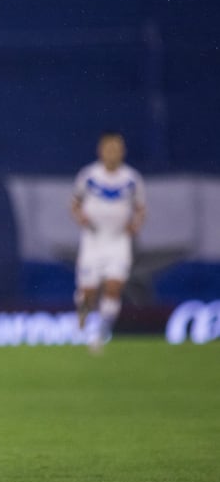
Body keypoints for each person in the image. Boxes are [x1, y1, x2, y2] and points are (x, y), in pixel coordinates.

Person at [71, 131, 146, 352]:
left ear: (123, 151)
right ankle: (83, 313)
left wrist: (136, 224)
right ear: (100, 150)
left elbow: (141, 209)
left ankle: (101, 333)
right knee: (88, 293)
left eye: (116, 148)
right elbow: (74, 203)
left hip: (118, 241)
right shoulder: (89, 176)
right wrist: (80, 217)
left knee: (114, 286)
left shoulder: (132, 179)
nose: (112, 152)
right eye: (108, 148)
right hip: (93, 240)